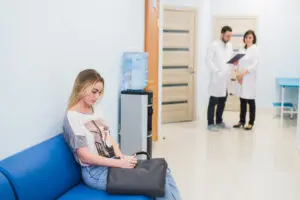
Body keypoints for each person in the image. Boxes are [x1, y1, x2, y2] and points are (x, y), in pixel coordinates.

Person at [63, 69, 181, 200]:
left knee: (164, 171)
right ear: (81, 87)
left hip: (112, 162)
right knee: (155, 180)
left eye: (99, 92)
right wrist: (120, 164)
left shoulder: (95, 109)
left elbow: (108, 137)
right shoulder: (72, 117)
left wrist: (121, 156)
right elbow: (84, 157)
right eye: (93, 91)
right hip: (95, 172)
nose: (96, 97)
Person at [206, 26, 233, 132]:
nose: (229, 38)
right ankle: (210, 123)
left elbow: (229, 59)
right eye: (227, 36)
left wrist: (233, 63)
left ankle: (219, 121)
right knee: (213, 101)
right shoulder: (214, 45)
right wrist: (216, 71)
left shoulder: (230, 46)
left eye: (230, 36)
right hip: (216, 78)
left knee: (223, 101)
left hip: (225, 79)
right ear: (222, 34)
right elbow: (208, 60)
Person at [233, 30, 259, 130]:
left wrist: (243, 74)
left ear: (253, 39)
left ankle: (251, 122)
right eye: (246, 37)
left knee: (250, 100)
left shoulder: (255, 49)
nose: (248, 39)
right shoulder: (241, 49)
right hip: (240, 78)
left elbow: (255, 65)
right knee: (242, 100)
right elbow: (235, 62)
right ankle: (241, 121)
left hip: (249, 78)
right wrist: (237, 73)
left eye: (250, 37)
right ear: (244, 38)